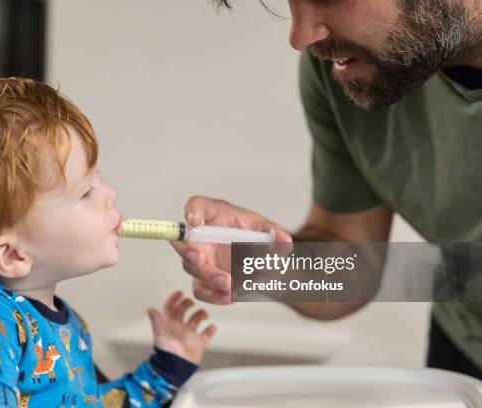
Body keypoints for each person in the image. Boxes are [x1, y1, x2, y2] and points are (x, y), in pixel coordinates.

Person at [172, 0, 482, 379]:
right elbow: (356, 262)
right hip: (465, 348)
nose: (301, 37)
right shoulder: (347, 70)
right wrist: (268, 264)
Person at [0, 68, 216, 407]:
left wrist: (167, 367)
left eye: (99, 178)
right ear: (12, 256)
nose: (109, 194)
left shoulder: (66, 324)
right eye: (85, 192)